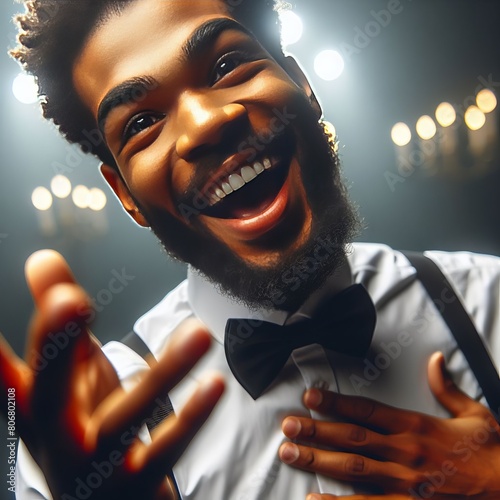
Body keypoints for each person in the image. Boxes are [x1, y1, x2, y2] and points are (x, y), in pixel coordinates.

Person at [3, 0, 500, 498]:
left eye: (226, 65)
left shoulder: (486, 301)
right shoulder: (93, 435)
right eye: (140, 124)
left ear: (303, 83)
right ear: (126, 195)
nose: (204, 123)